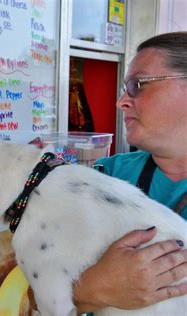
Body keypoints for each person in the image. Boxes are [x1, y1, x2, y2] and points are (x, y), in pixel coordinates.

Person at [72, 32, 187, 313]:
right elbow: (28, 295)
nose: (121, 101)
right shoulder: (104, 177)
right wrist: (95, 287)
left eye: (138, 85)